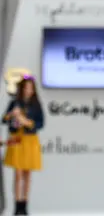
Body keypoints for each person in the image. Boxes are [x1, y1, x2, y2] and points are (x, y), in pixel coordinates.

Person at [2, 75, 44, 215]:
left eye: (31, 88)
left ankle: (24, 204)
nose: (28, 90)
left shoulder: (36, 105)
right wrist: (12, 115)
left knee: (27, 173)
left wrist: (28, 122)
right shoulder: (15, 102)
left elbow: (40, 123)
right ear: (22, 88)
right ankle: (17, 204)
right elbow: (4, 119)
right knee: (18, 173)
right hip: (17, 139)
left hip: (30, 140)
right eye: (26, 88)